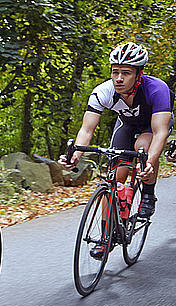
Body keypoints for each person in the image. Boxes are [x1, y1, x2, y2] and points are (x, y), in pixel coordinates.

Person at [59, 42, 174, 258]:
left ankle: (148, 193)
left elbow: (161, 132)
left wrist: (149, 163)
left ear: (138, 74)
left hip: (152, 125)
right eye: (115, 72)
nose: (119, 78)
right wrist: (76, 155)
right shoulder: (103, 92)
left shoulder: (157, 89)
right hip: (127, 125)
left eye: (126, 73)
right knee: (113, 180)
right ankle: (106, 237)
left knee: (143, 148)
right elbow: (87, 129)